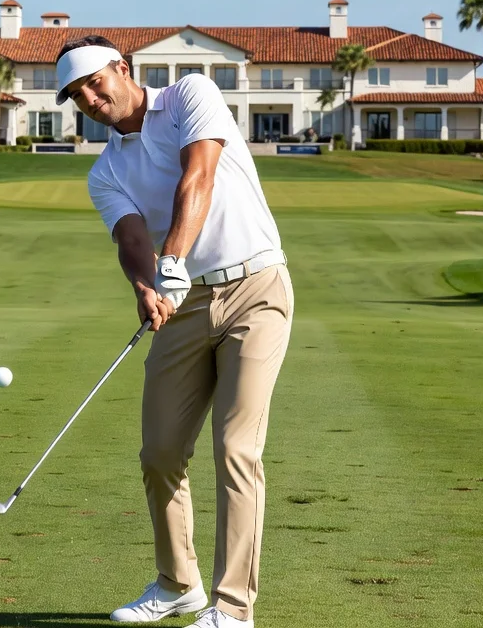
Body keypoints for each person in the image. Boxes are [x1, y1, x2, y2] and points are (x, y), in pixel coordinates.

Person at [57, 35, 294, 628]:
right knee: (160, 451)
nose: (90, 99)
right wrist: (146, 286)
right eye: (76, 95)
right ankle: (177, 584)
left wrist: (171, 263)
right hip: (181, 305)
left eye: (94, 83)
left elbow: (199, 177)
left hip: (256, 289)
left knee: (236, 448)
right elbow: (130, 238)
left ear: (122, 68)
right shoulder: (106, 171)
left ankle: (232, 611)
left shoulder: (191, 94)